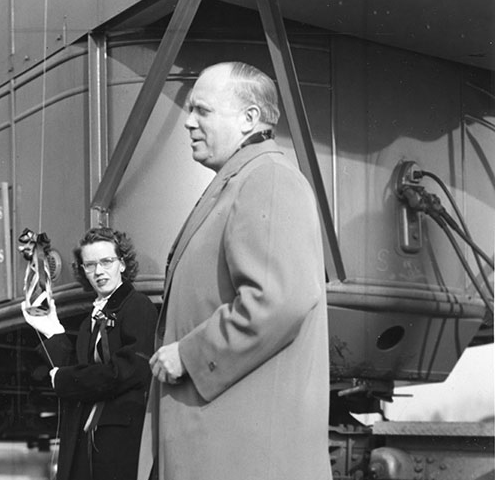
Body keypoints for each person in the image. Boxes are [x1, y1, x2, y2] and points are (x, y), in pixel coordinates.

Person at [138, 62, 332, 480]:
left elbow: (279, 299)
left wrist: (189, 355)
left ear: (249, 119)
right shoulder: (244, 180)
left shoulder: (270, 179)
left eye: (202, 110)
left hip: (241, 457)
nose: (187, 122)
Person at [22, 227, 158, 480]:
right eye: (90, 265)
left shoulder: (138, 307)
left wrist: (62, 379)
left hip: (118, 446)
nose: (98, 271)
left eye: (106, 261)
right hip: (91, 445)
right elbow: (82, 372)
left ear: (123, 264)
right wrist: (53, 330)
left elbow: (129, 371)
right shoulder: (90, 320)